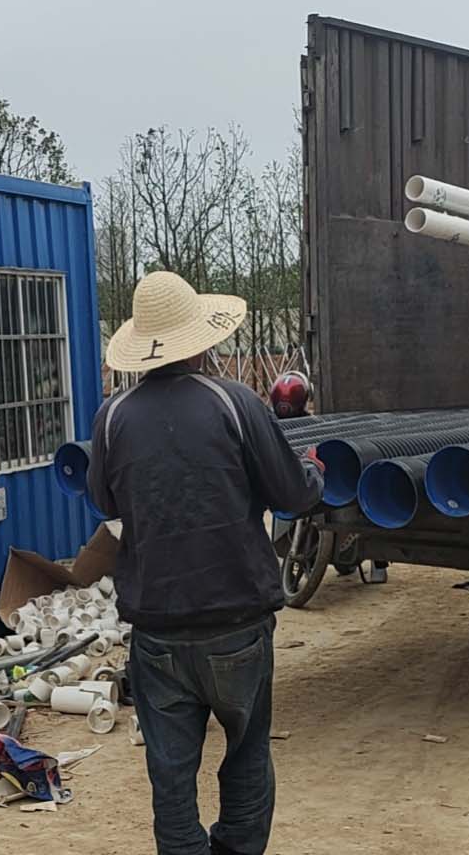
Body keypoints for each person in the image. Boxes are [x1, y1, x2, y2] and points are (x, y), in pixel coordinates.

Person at [86, 271, 325, 855]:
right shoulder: (235, 403)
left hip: (156, 631)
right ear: (199, 340)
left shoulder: (112, 417)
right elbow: (292, 494)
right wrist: (314, 470)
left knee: (170, 777)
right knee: (246, 756)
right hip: (236, 623)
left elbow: (105, 502)